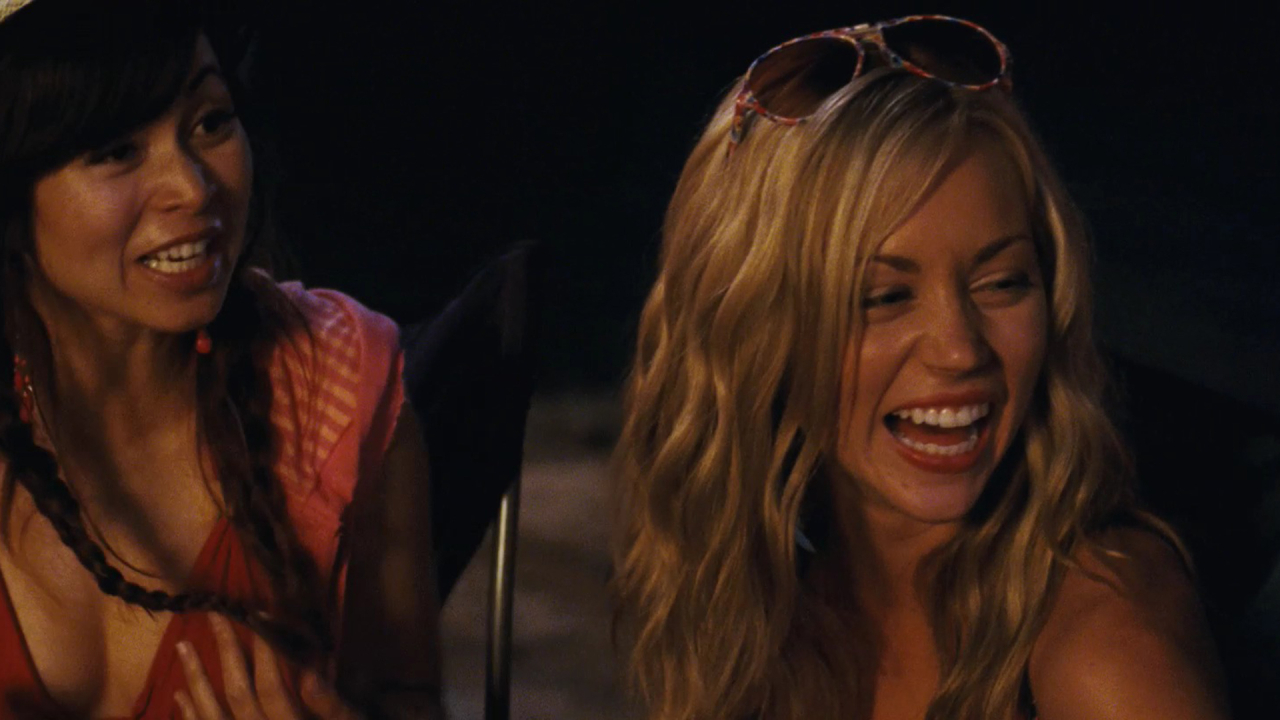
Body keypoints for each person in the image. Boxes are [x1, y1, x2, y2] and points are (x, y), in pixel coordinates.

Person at [612, 15, 1229, 720]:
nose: (960, 350)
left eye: (1002, 283)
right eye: (884, 297)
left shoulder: (1110, 652)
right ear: (754, 326)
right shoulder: (765, 593)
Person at [0, 0, 441, 717]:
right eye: (116, 150)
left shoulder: (334, 383)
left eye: (210, 122)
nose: (193, 187)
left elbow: (408, 696)